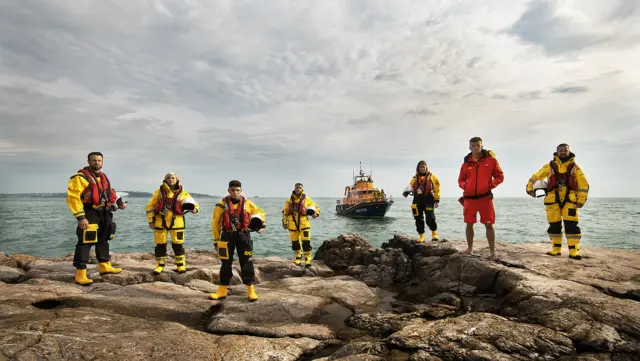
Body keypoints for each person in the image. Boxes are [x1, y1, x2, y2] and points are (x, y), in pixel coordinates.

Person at [66, 152, 126, 285]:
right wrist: (81, 217)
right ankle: (80, 273)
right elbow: (73, 198)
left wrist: (120, 203)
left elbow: (110, 193)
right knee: (86, 241)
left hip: (104, 212)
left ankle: (104, 265)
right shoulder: (80, 178)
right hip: (90, 212)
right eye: (94, 160)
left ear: (102, 162)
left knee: (104, 239)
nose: (97, 163)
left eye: (99, 160)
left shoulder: (103, 177)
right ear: (88, 161)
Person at [526, 143, 589, 260]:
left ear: (569, 151)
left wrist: (581, 200)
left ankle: (574, 251)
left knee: (572, 226)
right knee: (554, 225)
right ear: (557, 152)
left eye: (565, 150)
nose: (563, 152)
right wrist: (529, 188)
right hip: (552, 201)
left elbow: (583, 185)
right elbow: (536, 177)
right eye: (561, 151)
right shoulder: (549, 166)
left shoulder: (576, 168)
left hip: (570, 201)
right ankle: (556, 249)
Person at [209, 180, 266, 301]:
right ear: (228, 191)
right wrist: (215, 239)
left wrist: (261, 225)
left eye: (237, 190)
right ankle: (222, 291)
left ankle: (251, 290)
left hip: (243, 235)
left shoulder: (248, 204)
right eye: (233, 190)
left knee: (247, 261)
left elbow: (259, 212)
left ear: (241, 191)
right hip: (226, 236)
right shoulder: (220, 205)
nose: (235, 192)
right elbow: (215, 223)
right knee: (225, 263)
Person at [457, 137, 504, 258]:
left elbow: (499, 176)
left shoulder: (491, 161)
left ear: (482, 146)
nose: (475, 147)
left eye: (478, 145)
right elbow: (460, 180)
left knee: (489, 224)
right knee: (469, 223)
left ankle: (492, 252)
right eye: (473, 145)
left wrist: (490, 185)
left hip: (485, 198)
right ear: (469, 147)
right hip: (469, 199)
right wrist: (466, 186)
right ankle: (470, 248)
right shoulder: (465, 164)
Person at [146, 172, 200, 275]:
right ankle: (159, 266)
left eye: (173, 177)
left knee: (178, 245)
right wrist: (150, 221)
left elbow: (195, 204)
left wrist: (195, 209)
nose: (171, 179)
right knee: (160, 245)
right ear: (165, 180)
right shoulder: (159, 192)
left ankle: (181, 266)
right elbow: (150, 207)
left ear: (176, 179)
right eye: (168, 178)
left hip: (177, 223)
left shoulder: (183, 193)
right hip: (160, 222)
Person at [282, 183, 320, 266]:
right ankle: (298, 257)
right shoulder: (289, 201)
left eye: (299, 187)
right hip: (292, 225)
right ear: (294, 188)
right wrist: (284, 223)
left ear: (302, 189)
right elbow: (285, 212)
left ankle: (308, 259)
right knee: (295, 243)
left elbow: (316, 207)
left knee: (306, 242)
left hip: (304, 224)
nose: (298, 189)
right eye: (296, 187)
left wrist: (316, 214)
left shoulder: (306, 199)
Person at [403, 160, 441, 242]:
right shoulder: (414, 178)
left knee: (430, 218)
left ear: (426, 167)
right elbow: (410, 186)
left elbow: (437, 188)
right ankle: (421, 237)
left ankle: (434, 234)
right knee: (418, 218)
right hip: (417, 200)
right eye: (420, 167)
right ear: (418, 168)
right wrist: (406, 192)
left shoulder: (432, 177)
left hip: (428, 199)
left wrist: (436, 200)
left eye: (423, 166)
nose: (422, 168)